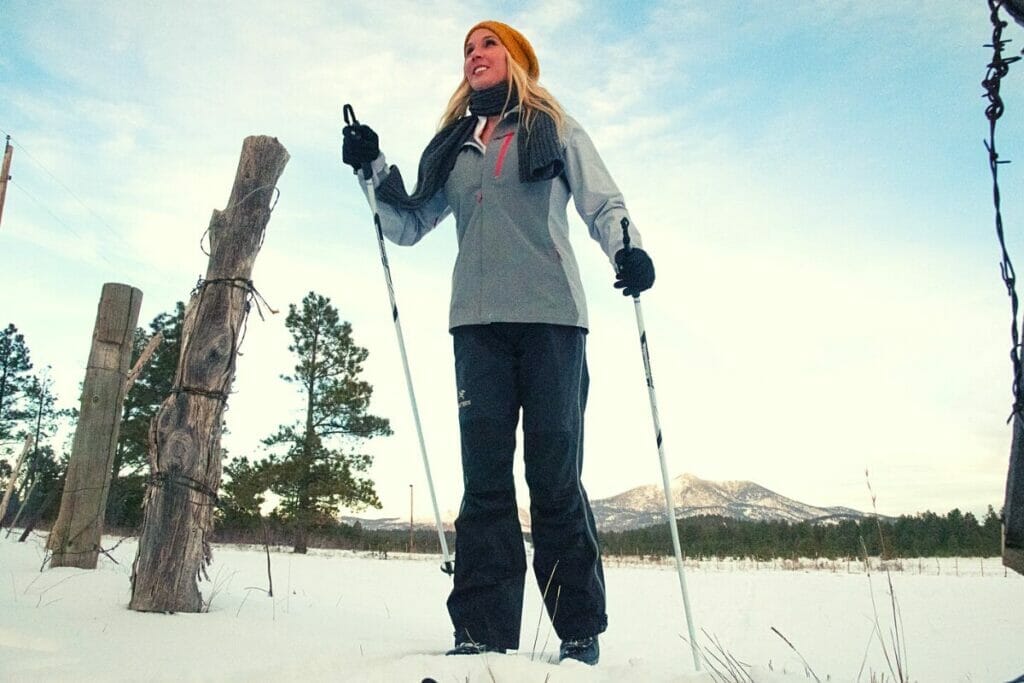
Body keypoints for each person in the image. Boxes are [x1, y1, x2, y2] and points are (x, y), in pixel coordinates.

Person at [342, 20, 655, 666]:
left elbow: (603, 202)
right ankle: (482, 632)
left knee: (553, 478)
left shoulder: (554, 129)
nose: (474, 56)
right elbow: (408, 223)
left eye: (488, 45)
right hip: (477, 327)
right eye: (467, 49)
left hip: (552, 322)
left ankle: (578, 632)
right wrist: (371, 168)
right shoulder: (453, 148)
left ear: (516, 60)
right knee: (485, 484)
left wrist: (630, 249)